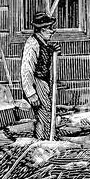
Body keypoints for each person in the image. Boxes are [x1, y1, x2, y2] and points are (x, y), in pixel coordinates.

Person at [20, 12, 58, 140]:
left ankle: (46, 139)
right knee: (44, 113)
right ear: (42, 30)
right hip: (38, 82)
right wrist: (30, 93)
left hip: (44, 81)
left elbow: (45, 52)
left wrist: (52, 50)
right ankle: (42, 140)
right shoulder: (32, 44)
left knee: (46, 112)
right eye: (49, 29)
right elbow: (26, 70)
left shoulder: (42, 42)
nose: (52, 31)